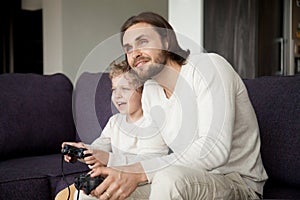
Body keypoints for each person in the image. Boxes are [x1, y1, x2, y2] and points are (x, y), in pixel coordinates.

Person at [86, 11, 268, 200]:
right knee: (99, 191)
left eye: (143, 42)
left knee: (168, 178)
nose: (135, 53)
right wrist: (115, 167)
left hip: (237, 182)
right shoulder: (150, 91)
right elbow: (152, 155)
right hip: (183, 179)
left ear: (166, 42)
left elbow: (214, 150)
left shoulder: (208, 67)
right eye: (128, 48)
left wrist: (139, 173)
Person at [55, 60, 169, 200]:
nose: (117, 95)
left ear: (143, 91)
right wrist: (83, 151)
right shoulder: (115, 122)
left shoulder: (152, 123)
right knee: (82, 194)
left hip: (145, 183)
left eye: (125, 89)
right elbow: (100, 146)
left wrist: (109, 158)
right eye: (114, 90)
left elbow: (151, 161)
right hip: (118, 178)